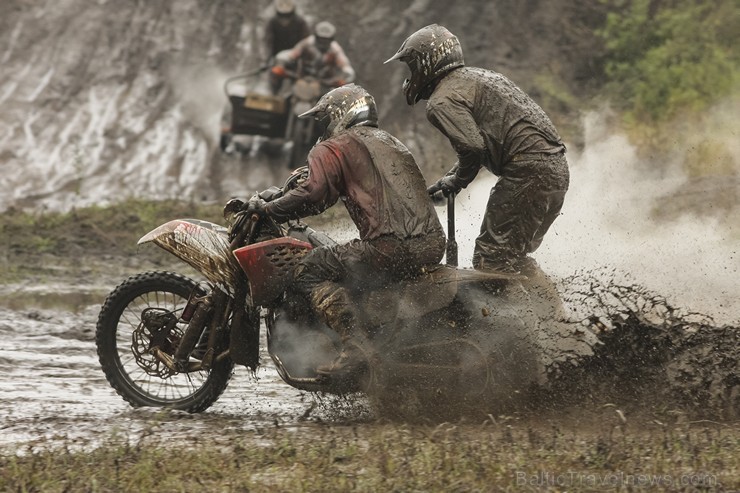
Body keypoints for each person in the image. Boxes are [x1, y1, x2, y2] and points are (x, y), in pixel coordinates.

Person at [244, 84, 445, 376]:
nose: (323, 129)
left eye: (325, 120)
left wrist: (269, 209)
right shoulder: (390, 142)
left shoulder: (336, 146)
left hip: (388, 247)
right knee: (345, 259)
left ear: (339, 114)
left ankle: (355, 347)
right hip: (431, 245)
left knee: (307, 269)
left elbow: (315, 194)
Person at [385, 24, 569, 276]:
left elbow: (472, 146)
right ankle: (554, 311)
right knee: (512, 257)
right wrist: (452, 178)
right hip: (556, 170)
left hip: (528, 174)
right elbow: (486, 142)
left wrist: (458, 180)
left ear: (425, 64)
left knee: (491, 261)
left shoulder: (441, 101)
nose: (409, 77)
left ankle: (516, 316)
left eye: (411, 67)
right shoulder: (480, 77)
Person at [270, 20, 356, 94]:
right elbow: (292, 54)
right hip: (301, 79)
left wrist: (346, 74)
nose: (323, 42)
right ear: (316, 36)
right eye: (321, 39)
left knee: (332, 106)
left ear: (331, 39)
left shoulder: (335, 50)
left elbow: (344, 64)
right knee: (284, 99)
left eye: (326, 39)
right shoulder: (307, 43)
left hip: (325, 85)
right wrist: (281, 62)